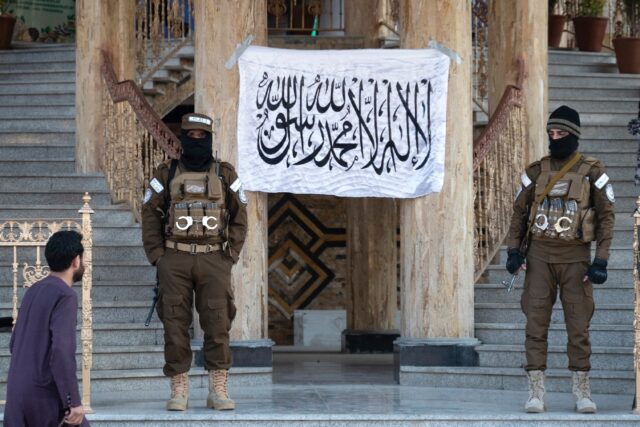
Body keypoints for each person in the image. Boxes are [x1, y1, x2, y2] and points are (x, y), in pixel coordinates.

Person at [505, 105, 615, 414]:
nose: (555, 138)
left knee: (578, 327)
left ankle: (582, 391)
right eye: (551, 133)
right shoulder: (536, 171)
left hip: (576, 258)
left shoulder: (594, 172)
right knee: (535, 324)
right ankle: (536, 392)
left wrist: (601, 261)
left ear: (574, 135)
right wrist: (514, 250)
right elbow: (518, 213)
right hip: (539, 256)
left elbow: (607, 218)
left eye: (561, 133)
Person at [141, 112, 247, 411]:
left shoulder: (226, 174)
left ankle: (218, 389)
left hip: (214, 258)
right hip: (174, 258)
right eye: (191, 137)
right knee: (174, 324)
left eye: (203, 137)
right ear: (183, 138)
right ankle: (179, 389)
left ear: (210, 138)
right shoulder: (166, 174)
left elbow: (241, 216)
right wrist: (158, 256)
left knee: (218, 323)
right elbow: (149, 213)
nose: (197, 142)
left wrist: (231, 255)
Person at [4, 230, 89, 427]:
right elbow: (61, 350)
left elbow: (14, 343)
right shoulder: (65, 295)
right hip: (42, 400)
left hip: (17, 396)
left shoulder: (34, 290)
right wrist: (73, 401)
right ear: (76, 261)